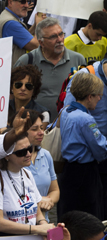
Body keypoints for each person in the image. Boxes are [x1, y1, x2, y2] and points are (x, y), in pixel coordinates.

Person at [0, 136, 53, 239]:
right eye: (21, 152)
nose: (28, 154)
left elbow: (37, 212)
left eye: (30, 148)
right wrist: (36, 229)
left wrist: (44, 225)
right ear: (6, 156)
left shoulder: (27, 173)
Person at [13, 17, 85, 117]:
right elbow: (11, 93)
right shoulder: (26, 61)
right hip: (34, 126)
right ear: (41, 43)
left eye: (61, 34)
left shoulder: (78, 60)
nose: (59, 39)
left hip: (65, 125)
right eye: (53, 37)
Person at [58, 71, 107, 219]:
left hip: (68, 171)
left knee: (68, 214)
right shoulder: (86, 119)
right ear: (89, 96)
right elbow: (100, 149)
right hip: (85, 175)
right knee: (88, 217)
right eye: (98, 95)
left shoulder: (66, 111)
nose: (100, 98)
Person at [0, 0, 42, 66]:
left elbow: (23, 36)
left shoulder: (8, 16)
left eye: (28, 1)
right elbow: (36, 45)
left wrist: (35, 25)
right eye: (23, 1)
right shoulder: (11, 23)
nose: (26, 5)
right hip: (12, 74)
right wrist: (39, 25)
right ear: (10, 2)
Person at [25, 110, 59, 221]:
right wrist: (39, 201)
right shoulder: (15, 159)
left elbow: (55, 190)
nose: (41, 132)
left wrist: (49, 201)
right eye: (34, 129)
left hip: (44, 221)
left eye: (41, 128)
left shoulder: (46, 155)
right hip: (21, 224)